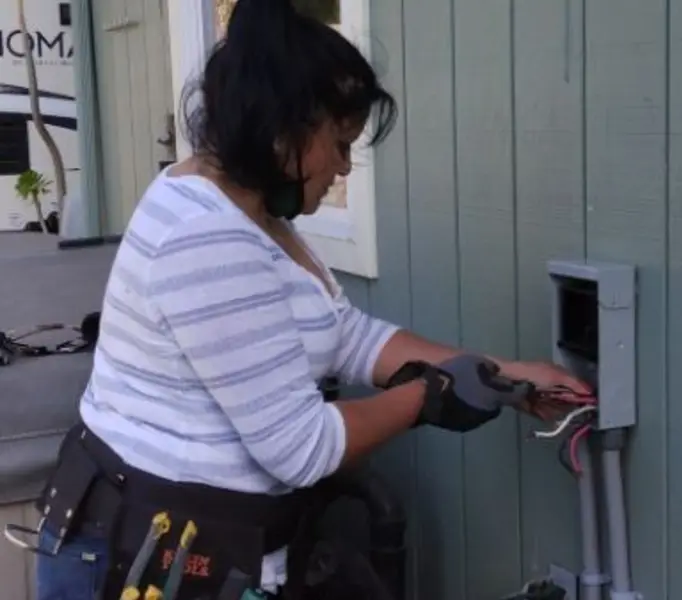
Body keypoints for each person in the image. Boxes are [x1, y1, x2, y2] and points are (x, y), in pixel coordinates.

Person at [33, 1, 593, 598]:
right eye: (340, 142)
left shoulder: (251, 212)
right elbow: (300, 448)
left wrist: (497, 373)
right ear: (283, 133)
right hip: (137, 561)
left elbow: (347, 336)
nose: (345, 166)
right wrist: (429, 396)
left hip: (215, 549)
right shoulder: (204, 236)